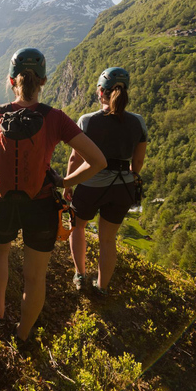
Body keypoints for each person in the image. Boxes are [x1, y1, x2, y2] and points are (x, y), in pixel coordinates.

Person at [0, 48, 105, 342]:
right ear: (43, 81)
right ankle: (22, 335)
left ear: (11, 81)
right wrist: (64, 181)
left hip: (2, 201)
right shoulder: (56, 118)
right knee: (35, 277)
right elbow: (98, 160)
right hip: (42, 206)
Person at [67, 67, 148, 295]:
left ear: (100, 92)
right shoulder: (138, 122)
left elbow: (75, 157)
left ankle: (80, 275)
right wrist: (127, 175)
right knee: (108, 240)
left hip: (91, 185)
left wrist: (69, 184)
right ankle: (102, 287)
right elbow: (138, 163)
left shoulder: (88, 121)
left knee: (77, 228)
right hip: (123, 186)